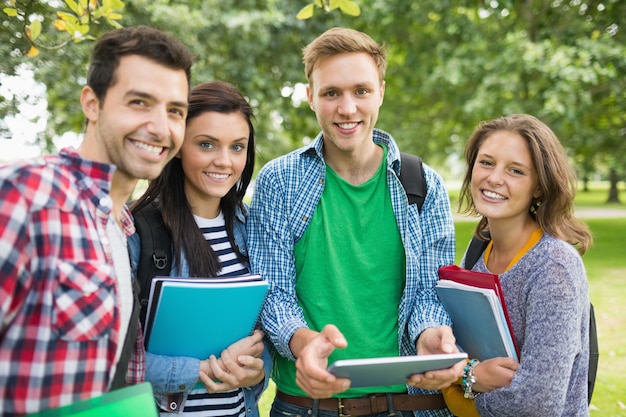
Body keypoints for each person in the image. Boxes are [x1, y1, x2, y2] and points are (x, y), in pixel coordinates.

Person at [248, 27, 465, 417]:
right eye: (331, 93)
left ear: (381, 91)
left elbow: (431, 292)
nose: (347, 109)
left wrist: (430, 335)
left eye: (361, 91)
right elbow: (273, 293)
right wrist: (304, 343)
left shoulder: (422, 184)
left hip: (409, 406)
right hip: (306, 406)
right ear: (311, 96)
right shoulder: (279, 182)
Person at [0, 26, 193, 416]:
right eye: (140, 102)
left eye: (175, 110)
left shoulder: (123, 225)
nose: (161, 127)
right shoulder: (27, 194)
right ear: (92, 103)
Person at [128, 81, 271, 417]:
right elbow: (115, 361)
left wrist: (258, 370)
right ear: (177, 144)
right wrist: (203, 371)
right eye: (207, 144)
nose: (224, 161)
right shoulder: (135, 230)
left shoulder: (253, 228)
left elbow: (263, 334)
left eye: (238, 147)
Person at [450, 114, 591, 416]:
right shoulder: (478, 253)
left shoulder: (553, 266)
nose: (495, 178)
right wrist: (469, 374)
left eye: (516, 170)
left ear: (539, 188)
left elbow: (536, 404)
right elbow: (460, 356)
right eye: (486, 162)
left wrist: (463, 387)